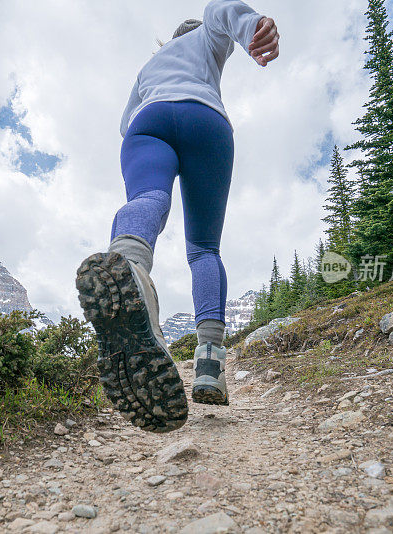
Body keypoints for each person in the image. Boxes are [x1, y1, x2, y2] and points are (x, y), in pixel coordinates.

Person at [76, 0, 280, 433]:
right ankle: (209, 363)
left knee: (149, 197)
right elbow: (219, 10)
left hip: (147, 124)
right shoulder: (206, 37)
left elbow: (122, 122)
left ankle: (129, 265)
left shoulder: (149, 67)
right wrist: (253, 28)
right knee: (204, 247)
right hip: (204, 120)